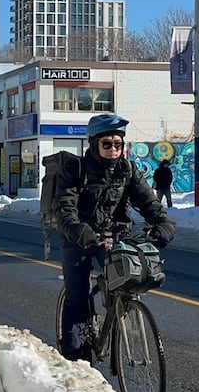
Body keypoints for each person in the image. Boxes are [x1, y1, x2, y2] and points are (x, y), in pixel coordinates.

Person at [53, 113, 175, 362]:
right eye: (107, 144)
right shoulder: (75, 169)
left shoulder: (127, 170)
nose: (113, 150)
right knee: (78, 296)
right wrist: (80, 231)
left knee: (127, 279)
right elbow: (65, 210)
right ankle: (73, 358)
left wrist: (163, 223)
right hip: (78, 239)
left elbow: (148, 202)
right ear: (94, 144)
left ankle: (115, 311)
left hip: (114, 237)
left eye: (118, 144)